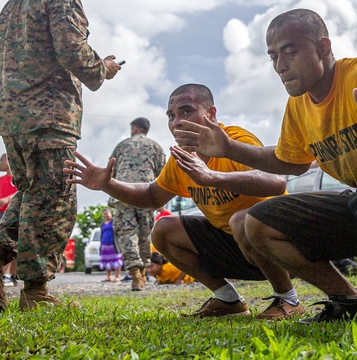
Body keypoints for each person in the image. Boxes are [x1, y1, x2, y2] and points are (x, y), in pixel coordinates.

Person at [175, 9, 357, 337]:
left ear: (323, 48)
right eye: (273, 56)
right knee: (257, 222)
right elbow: (290, 162)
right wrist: (230, 149)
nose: (280, 65)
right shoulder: (299, 105)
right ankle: (349, 302)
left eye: (290, 51)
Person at [0, 0, 121, 312]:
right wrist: (104, 68)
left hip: (11, 118)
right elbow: (72, 52)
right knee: (57, 201)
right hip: (48, 116)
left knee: (32, 195)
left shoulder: (12, 5)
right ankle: (35, 293)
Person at [66, 83, 298, 319]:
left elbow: (275, 182)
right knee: (163, 230)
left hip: (281, 245)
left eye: (186, 111)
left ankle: (288, 299)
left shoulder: (234, 139)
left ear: (212, 114)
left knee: (241, 220)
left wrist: (213, 177)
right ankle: (228, 300)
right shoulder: (182, 157)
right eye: (171, 115)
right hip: (239, 247)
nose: (176, 122)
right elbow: (151, 195)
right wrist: (108, 184)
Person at [107, 117, 166, 291]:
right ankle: (143, 270)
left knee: (127, 234)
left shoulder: (122, 146)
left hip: (123, 194)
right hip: (146, 195)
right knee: (145, 234)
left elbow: (109, 171)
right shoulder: (155, 147)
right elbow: (163, 174)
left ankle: (135, 273)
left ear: (134, 128)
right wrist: (160, 200)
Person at [0, 154, 18, 286]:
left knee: (14, 245)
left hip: (14, 214)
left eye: (1, 160)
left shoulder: (18, 178)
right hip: (1, 215)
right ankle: (5, 274)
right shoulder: (0, 180)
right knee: (3, 245)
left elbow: (20, 192)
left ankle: (12, 275)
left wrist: (7, 199)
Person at [98, 208, 123, 281]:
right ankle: (108, 276)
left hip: (113, 244)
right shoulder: (102, 224)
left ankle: (117, 276)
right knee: (106, 260)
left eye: (107, 213)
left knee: (116, 260)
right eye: (104, 214)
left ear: (111, 214)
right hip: (104, 244)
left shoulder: (114, 222)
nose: (106, 215)